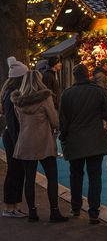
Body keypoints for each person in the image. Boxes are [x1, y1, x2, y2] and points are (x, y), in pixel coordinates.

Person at [59, 63, 107, 224]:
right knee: (94, 176)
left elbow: (62, 120)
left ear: (75, 76)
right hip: (95, 140)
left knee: (75, 175)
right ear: (88, 75)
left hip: (75, 141)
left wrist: (63, 137)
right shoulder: (98, 92)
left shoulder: (67, 94)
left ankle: (76, 207)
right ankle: (93, 212)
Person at [11, 70, 68, 223]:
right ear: (39, 81)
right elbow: (55, 121)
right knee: (52, 177)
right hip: (44, 143)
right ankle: (54, 212)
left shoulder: (18, 101)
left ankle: (32, 213)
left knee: (29, 179)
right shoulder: (45, 98)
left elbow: (19, 121)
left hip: (25, 142)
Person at [1, 57, 28, 218]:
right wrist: (19, 140)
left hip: (12, 137)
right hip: (14, 138)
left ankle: (14, 206)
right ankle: (10, 206)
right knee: (14, 171)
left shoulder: (8, 92)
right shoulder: (12, 95)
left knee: (17, 171)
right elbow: (12, 121)